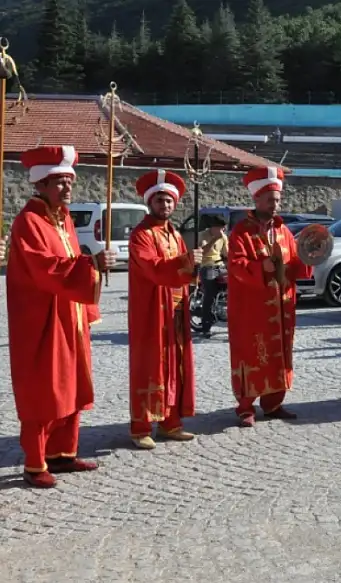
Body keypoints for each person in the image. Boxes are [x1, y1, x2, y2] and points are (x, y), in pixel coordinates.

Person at [6, 146, 114, 488]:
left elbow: (70, 259)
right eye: (60, 182)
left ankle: (62, 453)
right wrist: (91, 265)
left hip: (69, 314)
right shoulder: (29, 221)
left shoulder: (64, 218)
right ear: (41, 184)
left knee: (72, 383)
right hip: (40, 319)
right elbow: (45, 268)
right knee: (43, 387)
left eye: (70, 181)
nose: (67, 188)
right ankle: (35, 463)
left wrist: (90, 263)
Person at [226, 166, 313, 427]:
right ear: (257, 200)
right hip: (251, 310)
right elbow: (236, 266)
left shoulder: (284, 231)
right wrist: (259, 268)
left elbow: (296, 262)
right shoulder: (241, 232)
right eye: (270, 200)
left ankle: (274, 403)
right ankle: (245, 407)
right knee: (251, 354)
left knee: (280, 353)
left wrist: (310, 257)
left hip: (282, 307)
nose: (275, 205)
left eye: (277, 200)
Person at [128, 169, 204, 449]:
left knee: (176, 368)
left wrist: (195, 265)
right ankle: (140, 426)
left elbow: (185, 271)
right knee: (149, 368)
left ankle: (171, 422)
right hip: (152, 312)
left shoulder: (175, 235)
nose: (165, 205)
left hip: (176, 312)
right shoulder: (142, 235)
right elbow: (153, 268)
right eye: (160, 200)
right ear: (151, 203)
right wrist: (185, 262)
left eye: (170, 201)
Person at [195, 215, 228, 338]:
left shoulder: (223, 237)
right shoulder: (203, 235)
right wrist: (214, 239)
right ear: (214, 228)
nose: (223, 231)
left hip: (220, 266)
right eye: (220, 229)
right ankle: (206, 326)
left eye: (224, 229)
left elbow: (227, 254)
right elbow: (203, 250)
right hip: (207, 266)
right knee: (210, 294)